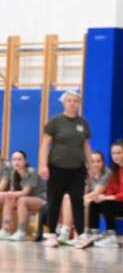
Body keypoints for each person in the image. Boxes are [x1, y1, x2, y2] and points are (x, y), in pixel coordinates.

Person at [39, 90, 91, 246]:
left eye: (75, 101)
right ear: (64, 102)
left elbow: (86, 146)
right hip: (57, 167)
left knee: (77, 201)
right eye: (69, 100)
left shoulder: (82, 123)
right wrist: (43, 165)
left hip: (77, 169)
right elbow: (45, 144)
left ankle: (81, 235)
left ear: (78, 104)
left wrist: (90, 167)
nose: (72, 103)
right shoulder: (55, 121)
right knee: (54, 201)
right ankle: (51, 235)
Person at [86, 140, 123, 249]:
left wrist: (107, 198)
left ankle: (111, 237)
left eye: (119, 153)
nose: (116, 156)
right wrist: (101, 197)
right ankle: (93, 235)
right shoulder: (115, 171)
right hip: (121, 203)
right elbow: (111, 190)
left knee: (106, 204)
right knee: (94, 203)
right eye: (114, 153)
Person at [0, 151, 46, 241]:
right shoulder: (14, 173)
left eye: (19, 159)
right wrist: (8, 195)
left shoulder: (30, 172)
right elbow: (13, 191)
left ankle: (22, 231)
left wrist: (5, 194)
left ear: (25, 161)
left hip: (42, 199)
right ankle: (5, 229)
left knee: (22, 200)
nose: (16, 162)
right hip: (27, 199)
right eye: (14, 160)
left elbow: (25, 192)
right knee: (9, 199)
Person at [74, 151, 111, 249]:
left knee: (86, 202)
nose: (95, 164)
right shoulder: (88, 174)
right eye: (92, 161)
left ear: (103, 162)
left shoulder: (107, 173)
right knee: (70, 200)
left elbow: (97, 192)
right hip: (94, 202)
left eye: (98, 161)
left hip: (105, 202)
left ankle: (85, 232)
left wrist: (81, 198)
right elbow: (85, 191)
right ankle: (65, 231)